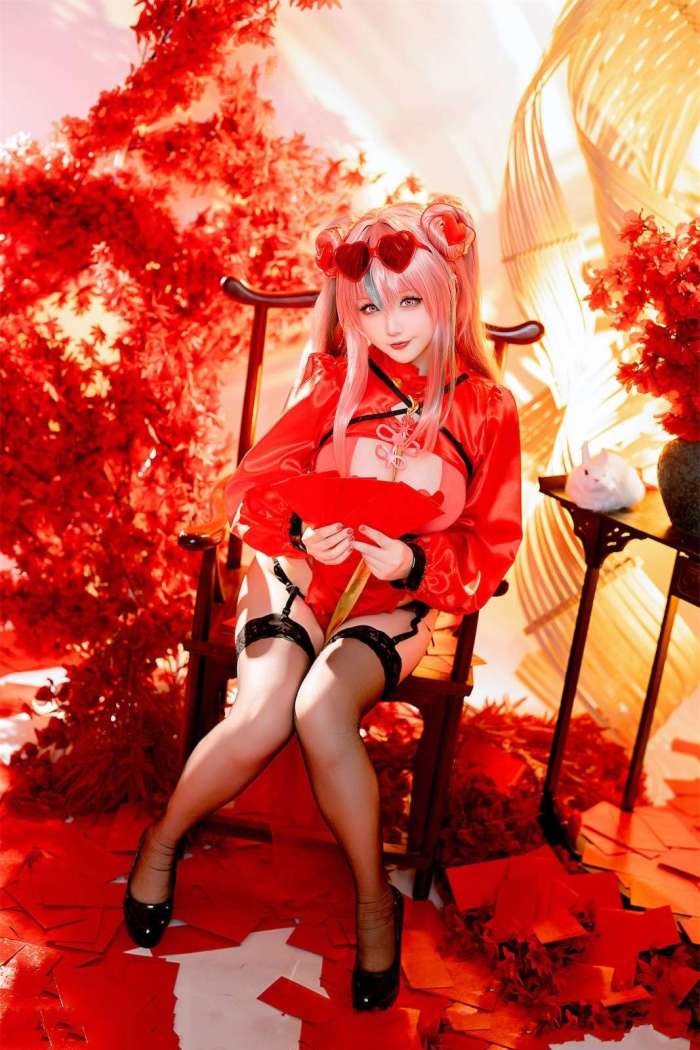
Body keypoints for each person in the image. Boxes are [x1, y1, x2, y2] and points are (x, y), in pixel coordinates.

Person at [123, 198, 523, 1012]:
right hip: (300, 573)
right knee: (265, 709)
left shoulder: (486, 408)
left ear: (448, 292)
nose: (389, 324)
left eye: (408, 300)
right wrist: (304, 526)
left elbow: (493, 541)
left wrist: (412, 558)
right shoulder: (334, 379)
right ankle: (161, 842)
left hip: (396, 598)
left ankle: (374, 899)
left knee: (320, 707)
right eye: (367, 307)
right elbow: (252, 485)